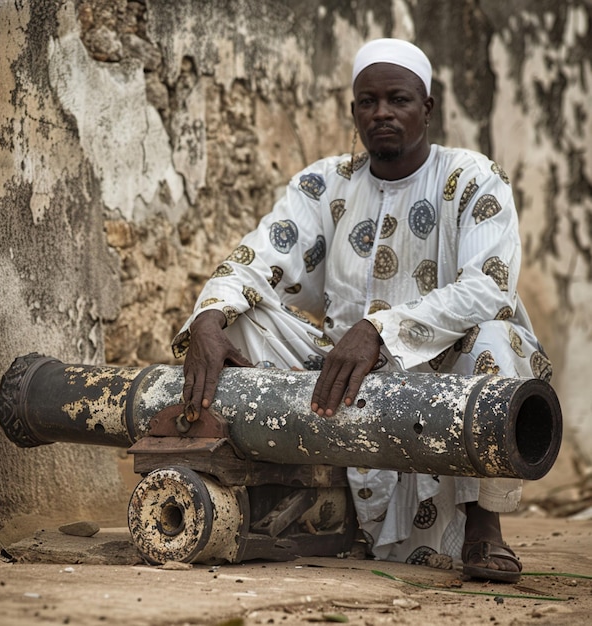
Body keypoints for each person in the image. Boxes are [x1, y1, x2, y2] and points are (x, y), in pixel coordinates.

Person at [171, 38, 552, 583]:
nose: (382, 114)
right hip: (341, 379)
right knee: (243, 317)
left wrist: (380, 329)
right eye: (367, 103)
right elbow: (259, 258)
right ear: (354, 111)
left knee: (498, 338)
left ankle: (483, 527)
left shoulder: (472, 179)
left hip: (438, 377)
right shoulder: (325, 184)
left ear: (428, 108)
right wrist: (207, 317)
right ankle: (297, 494)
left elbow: (488, 287)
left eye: (398, 99)